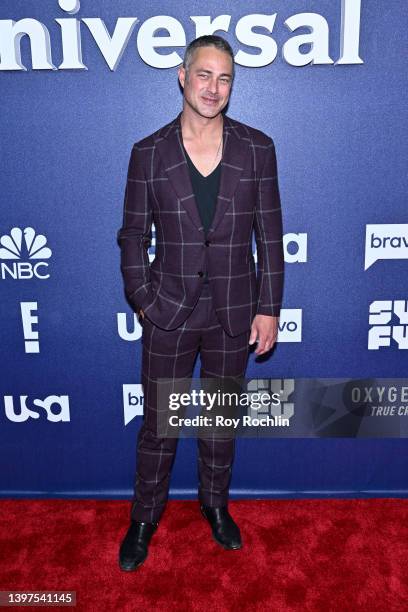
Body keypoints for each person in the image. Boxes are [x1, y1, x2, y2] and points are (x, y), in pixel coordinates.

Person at [116, 34, 284, 571]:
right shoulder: (148, 152)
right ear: (182, 76)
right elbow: (132, 236)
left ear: (233, 85)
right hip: (169, 312)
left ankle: (215, 506)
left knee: (220, 421)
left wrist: (269, 306)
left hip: (234, 313)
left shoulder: (258, 147)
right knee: (159, 424)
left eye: (225, 78)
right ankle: (144, 517)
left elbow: (272, 237)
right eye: (205, 75)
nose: (214, 87)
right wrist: (145, 301)